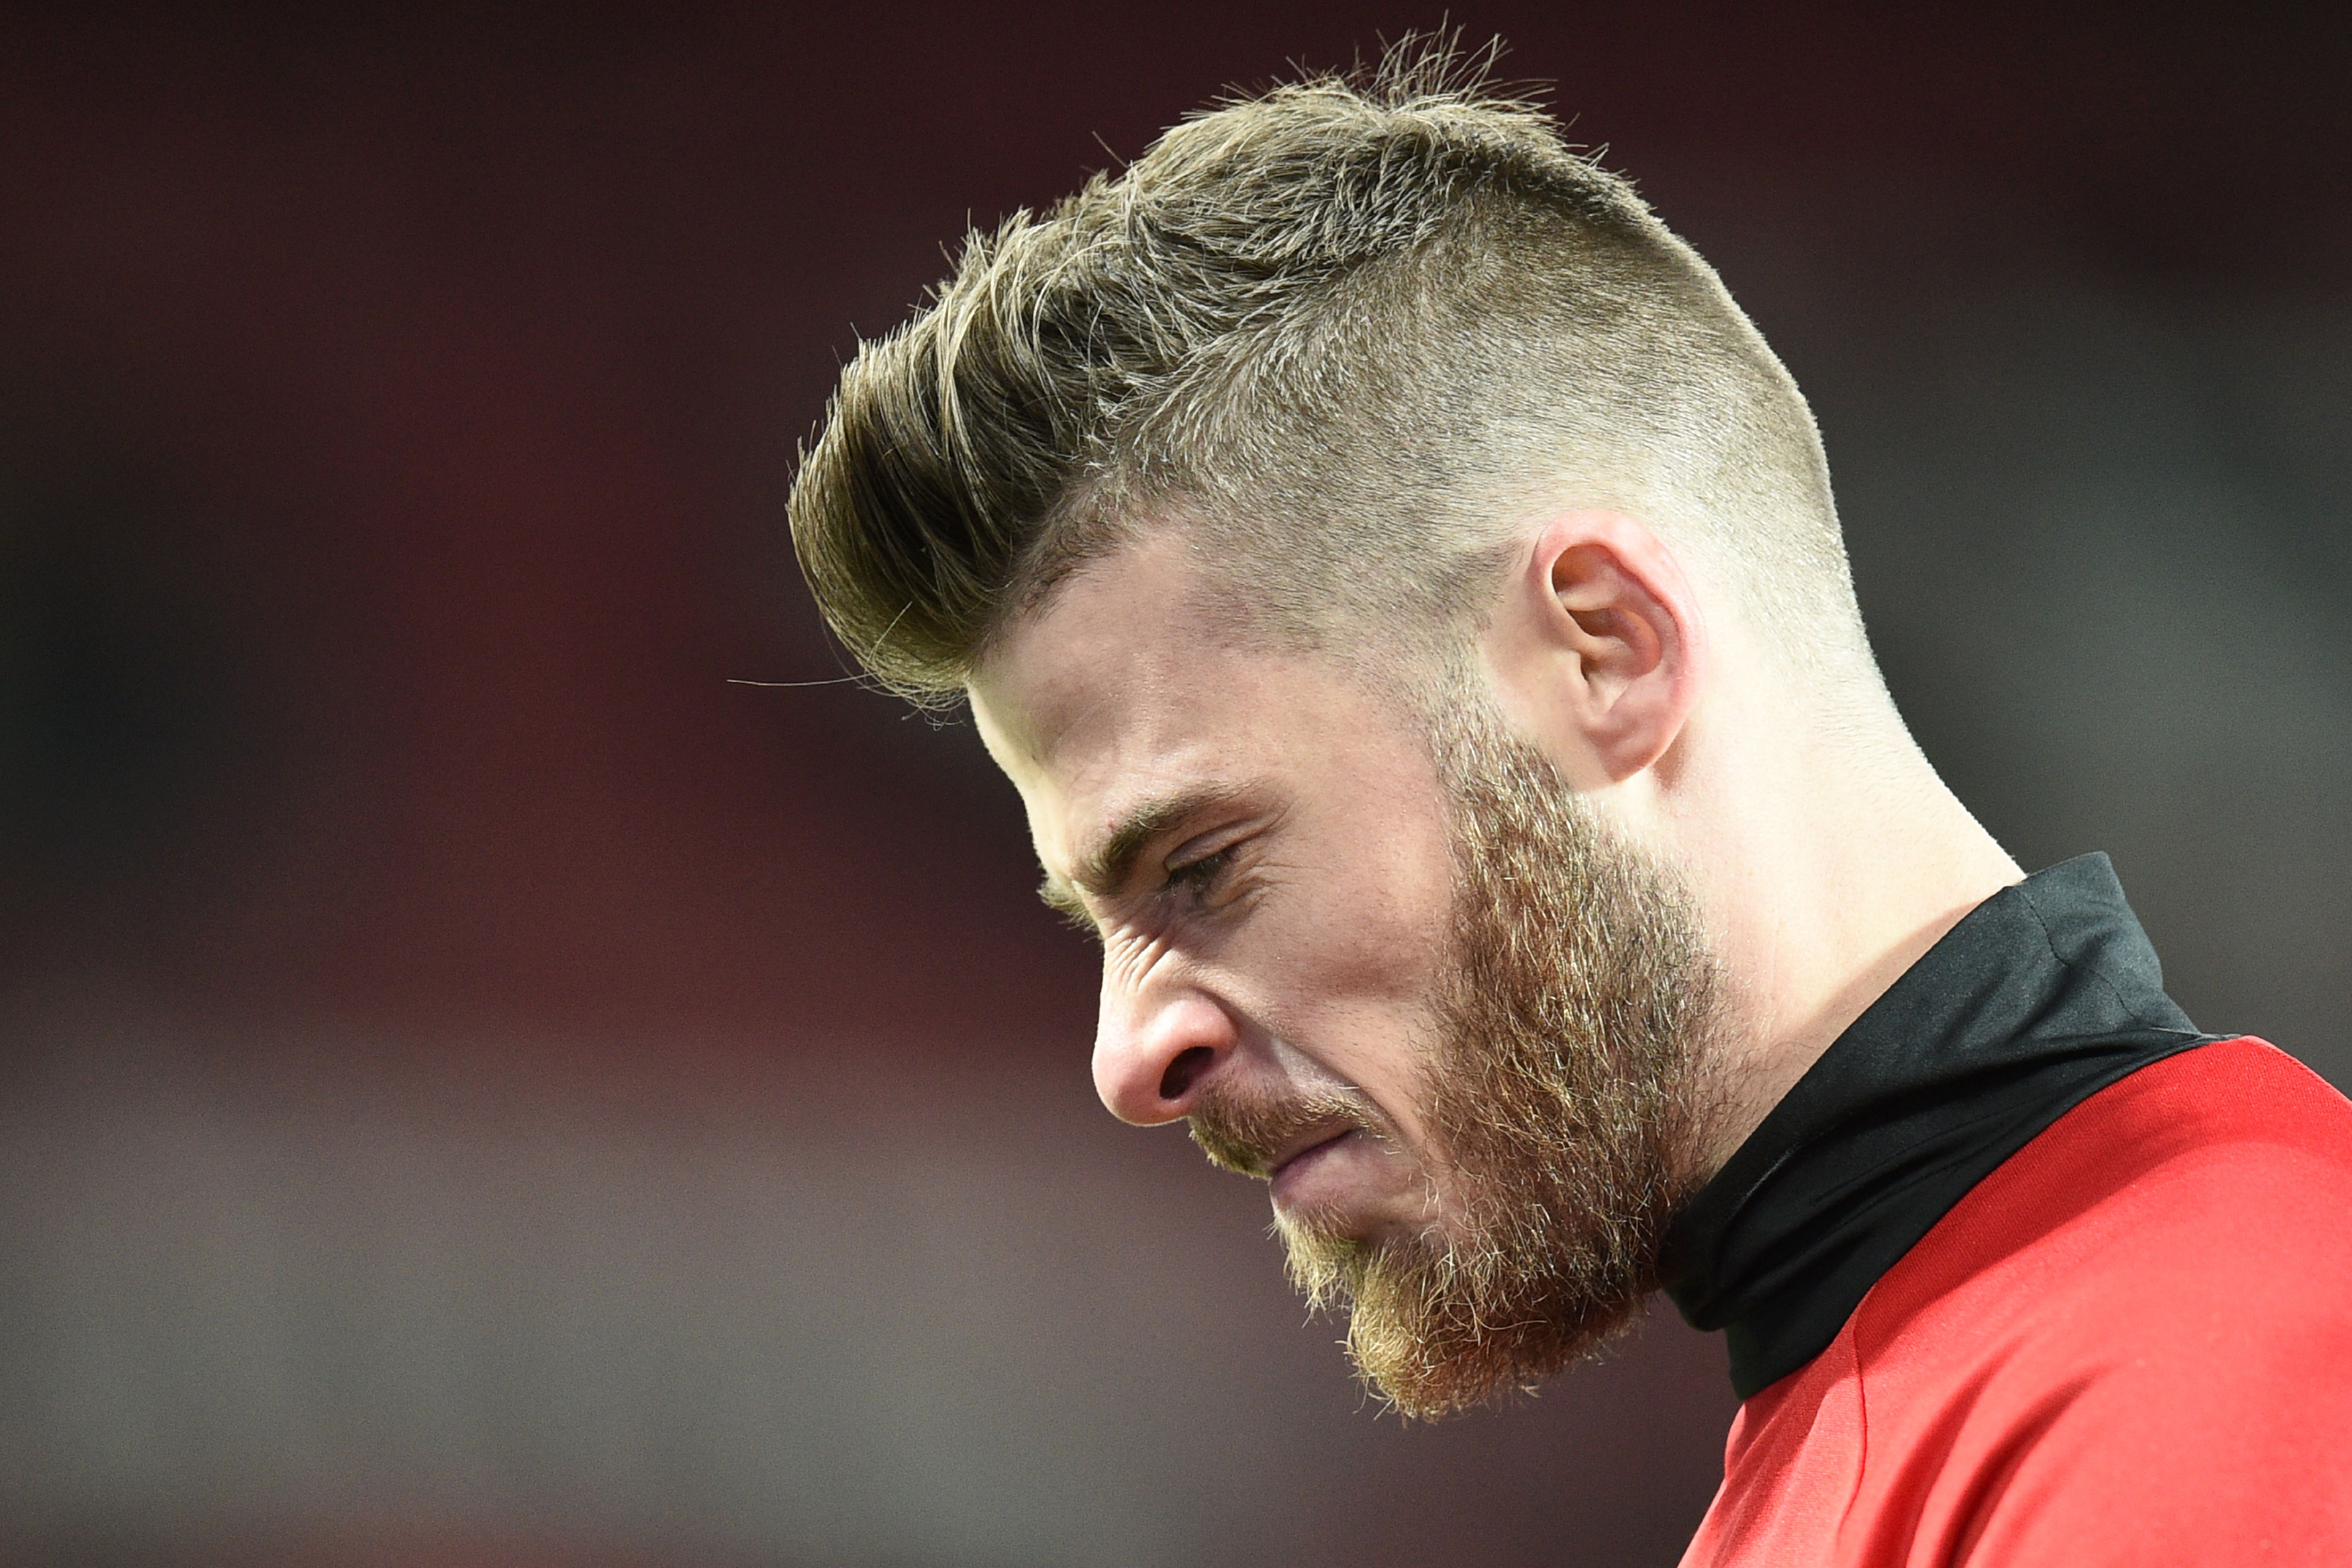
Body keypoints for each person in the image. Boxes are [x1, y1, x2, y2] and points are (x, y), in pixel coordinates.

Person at [785, 41, 2352, 1565]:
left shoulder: (2231, 1364)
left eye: (1205, 864)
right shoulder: (1950, 1394)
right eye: (1102, 924)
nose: (1134, 1058)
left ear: (1606, 649)